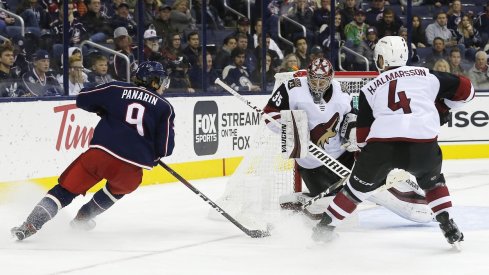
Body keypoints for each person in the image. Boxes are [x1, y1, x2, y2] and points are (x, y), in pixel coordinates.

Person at [311, 36, 474, 247]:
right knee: (433, 183)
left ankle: (324, 229)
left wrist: (365, 164)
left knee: (354, 191)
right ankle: (447, 223)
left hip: (382, 147)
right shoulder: (427, 76)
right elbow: (468, 90)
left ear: (382, 59)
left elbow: (362, 137)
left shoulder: (369, 89)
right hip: (422, 145)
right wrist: (444, 106)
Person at [11, 61, 175, 241]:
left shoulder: (116, 88)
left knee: (65, 191)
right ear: (152, 81)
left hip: (100, 155)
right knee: (116, 191)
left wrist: (103, 108)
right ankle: (83, 218)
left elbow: (82, 99)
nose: (163, 85)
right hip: (131, 168)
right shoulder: (164, 107)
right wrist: (152, 154)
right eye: (161, 80)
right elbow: (165, 149)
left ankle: (31, 223)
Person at [265, 57, 434, 225]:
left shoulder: (342, 91)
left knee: (377, 185)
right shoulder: (292, 87)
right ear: (308, 76)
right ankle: (299, 200)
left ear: (331, 79)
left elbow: (352, 117)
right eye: (313, 81)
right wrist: (291, 126)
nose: (317, 86)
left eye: (322, 82)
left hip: (343, 156)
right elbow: (269, 114)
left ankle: (423, 203)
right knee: (344, 218)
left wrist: (353, 132)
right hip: (311, 164)